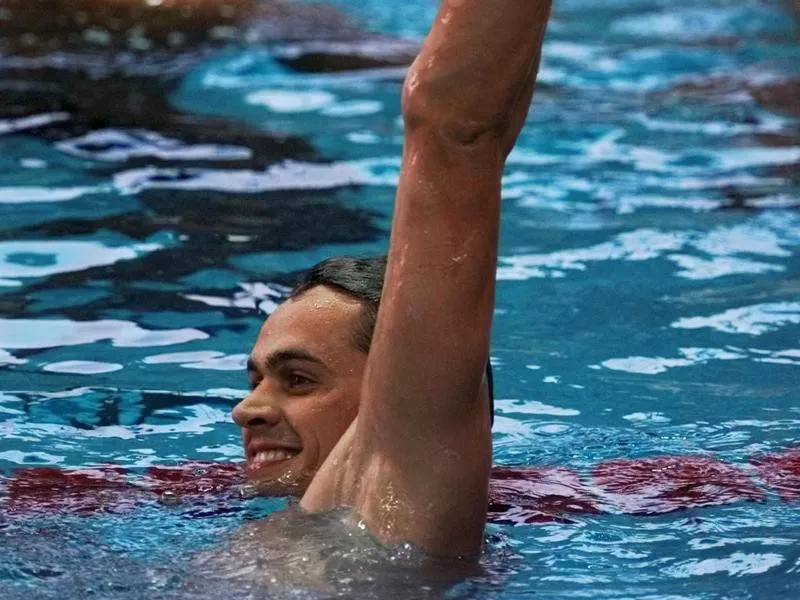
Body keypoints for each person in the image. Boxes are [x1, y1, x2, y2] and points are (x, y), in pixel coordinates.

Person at [232, 0, 553, 559]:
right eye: (257, 379)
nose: (246, 409)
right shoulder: (310, 527)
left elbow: (456, 129)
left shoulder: (388, 513)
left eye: (299, 380)